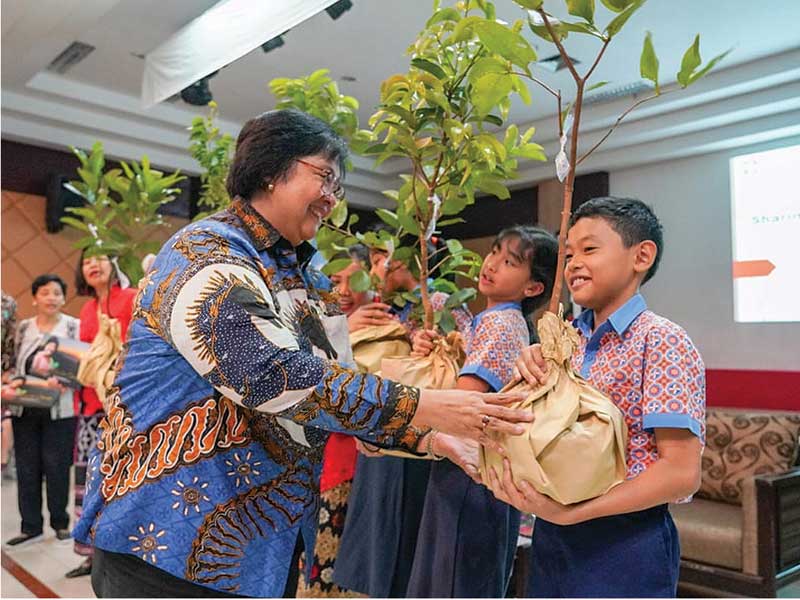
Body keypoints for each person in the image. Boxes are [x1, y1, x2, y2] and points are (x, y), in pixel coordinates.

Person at [72, 109, 531, 598]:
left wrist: (429, 440)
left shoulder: (309, 281)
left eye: (337, 183)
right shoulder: (205, 253)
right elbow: (268, 374)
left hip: (261, 550)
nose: (332, 198)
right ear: (271, 171)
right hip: (165, 542)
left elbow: (334, 393)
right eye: (324, 177)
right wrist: (426, 406)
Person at [492, 197, 706, 598]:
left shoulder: (662, 341)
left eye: (589, 249)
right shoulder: (565, 340)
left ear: (641, 255)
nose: (572, 263)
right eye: (569, 253)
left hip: (625, 543)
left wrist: (572, 513)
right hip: (553, 534)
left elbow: (680, 473)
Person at [406, 225, 558, 598]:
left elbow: (462, 404)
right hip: (475, 470)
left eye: (509, 262)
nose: (491, 264)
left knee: (451, 582)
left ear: (533, 288)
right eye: (494, 252)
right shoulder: (491, 320)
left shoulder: (502, 325)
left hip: (470, 472)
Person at [334, 240, 473, 598]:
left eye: (382, 259)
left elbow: (460, 359)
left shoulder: (438, 303)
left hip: (419, 433)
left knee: (409, 539)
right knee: (377, 538)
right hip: (382, 431)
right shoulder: (384, 309)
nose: (375, 268)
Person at [297, 244, 393, 597]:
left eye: (356, 281)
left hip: (357, 468)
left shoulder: (390, 330)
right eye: (335, 281)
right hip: (318, 464)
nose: (345, 292)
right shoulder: (317, 324)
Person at [65, 252, 138, 578]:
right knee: (89, 481)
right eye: (86, 262)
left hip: (124, 407)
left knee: (121, 480)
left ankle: (121, 553)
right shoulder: (85, 308)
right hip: (90, 407)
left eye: (99, 258)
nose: (92, 265)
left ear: (115, 263)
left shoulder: (131, 298)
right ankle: (91, 552)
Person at [3, 274, 79, 547]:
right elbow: (11, 363)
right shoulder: (23, 329)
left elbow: (81, 368)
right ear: (34, 298)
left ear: (63, 297)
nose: (51, 298)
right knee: (27, 468)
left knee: (57, 467)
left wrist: (66, 380)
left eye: (57, 293)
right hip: (25, 408)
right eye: (45, 293)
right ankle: (30, 526)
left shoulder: (74, 327)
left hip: (61, 410)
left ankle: (60, 522)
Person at [2, 291, 17, 480]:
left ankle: (4, 462)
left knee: (6, 418)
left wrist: (8, 370)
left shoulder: (6, 303)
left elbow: (10, 340)